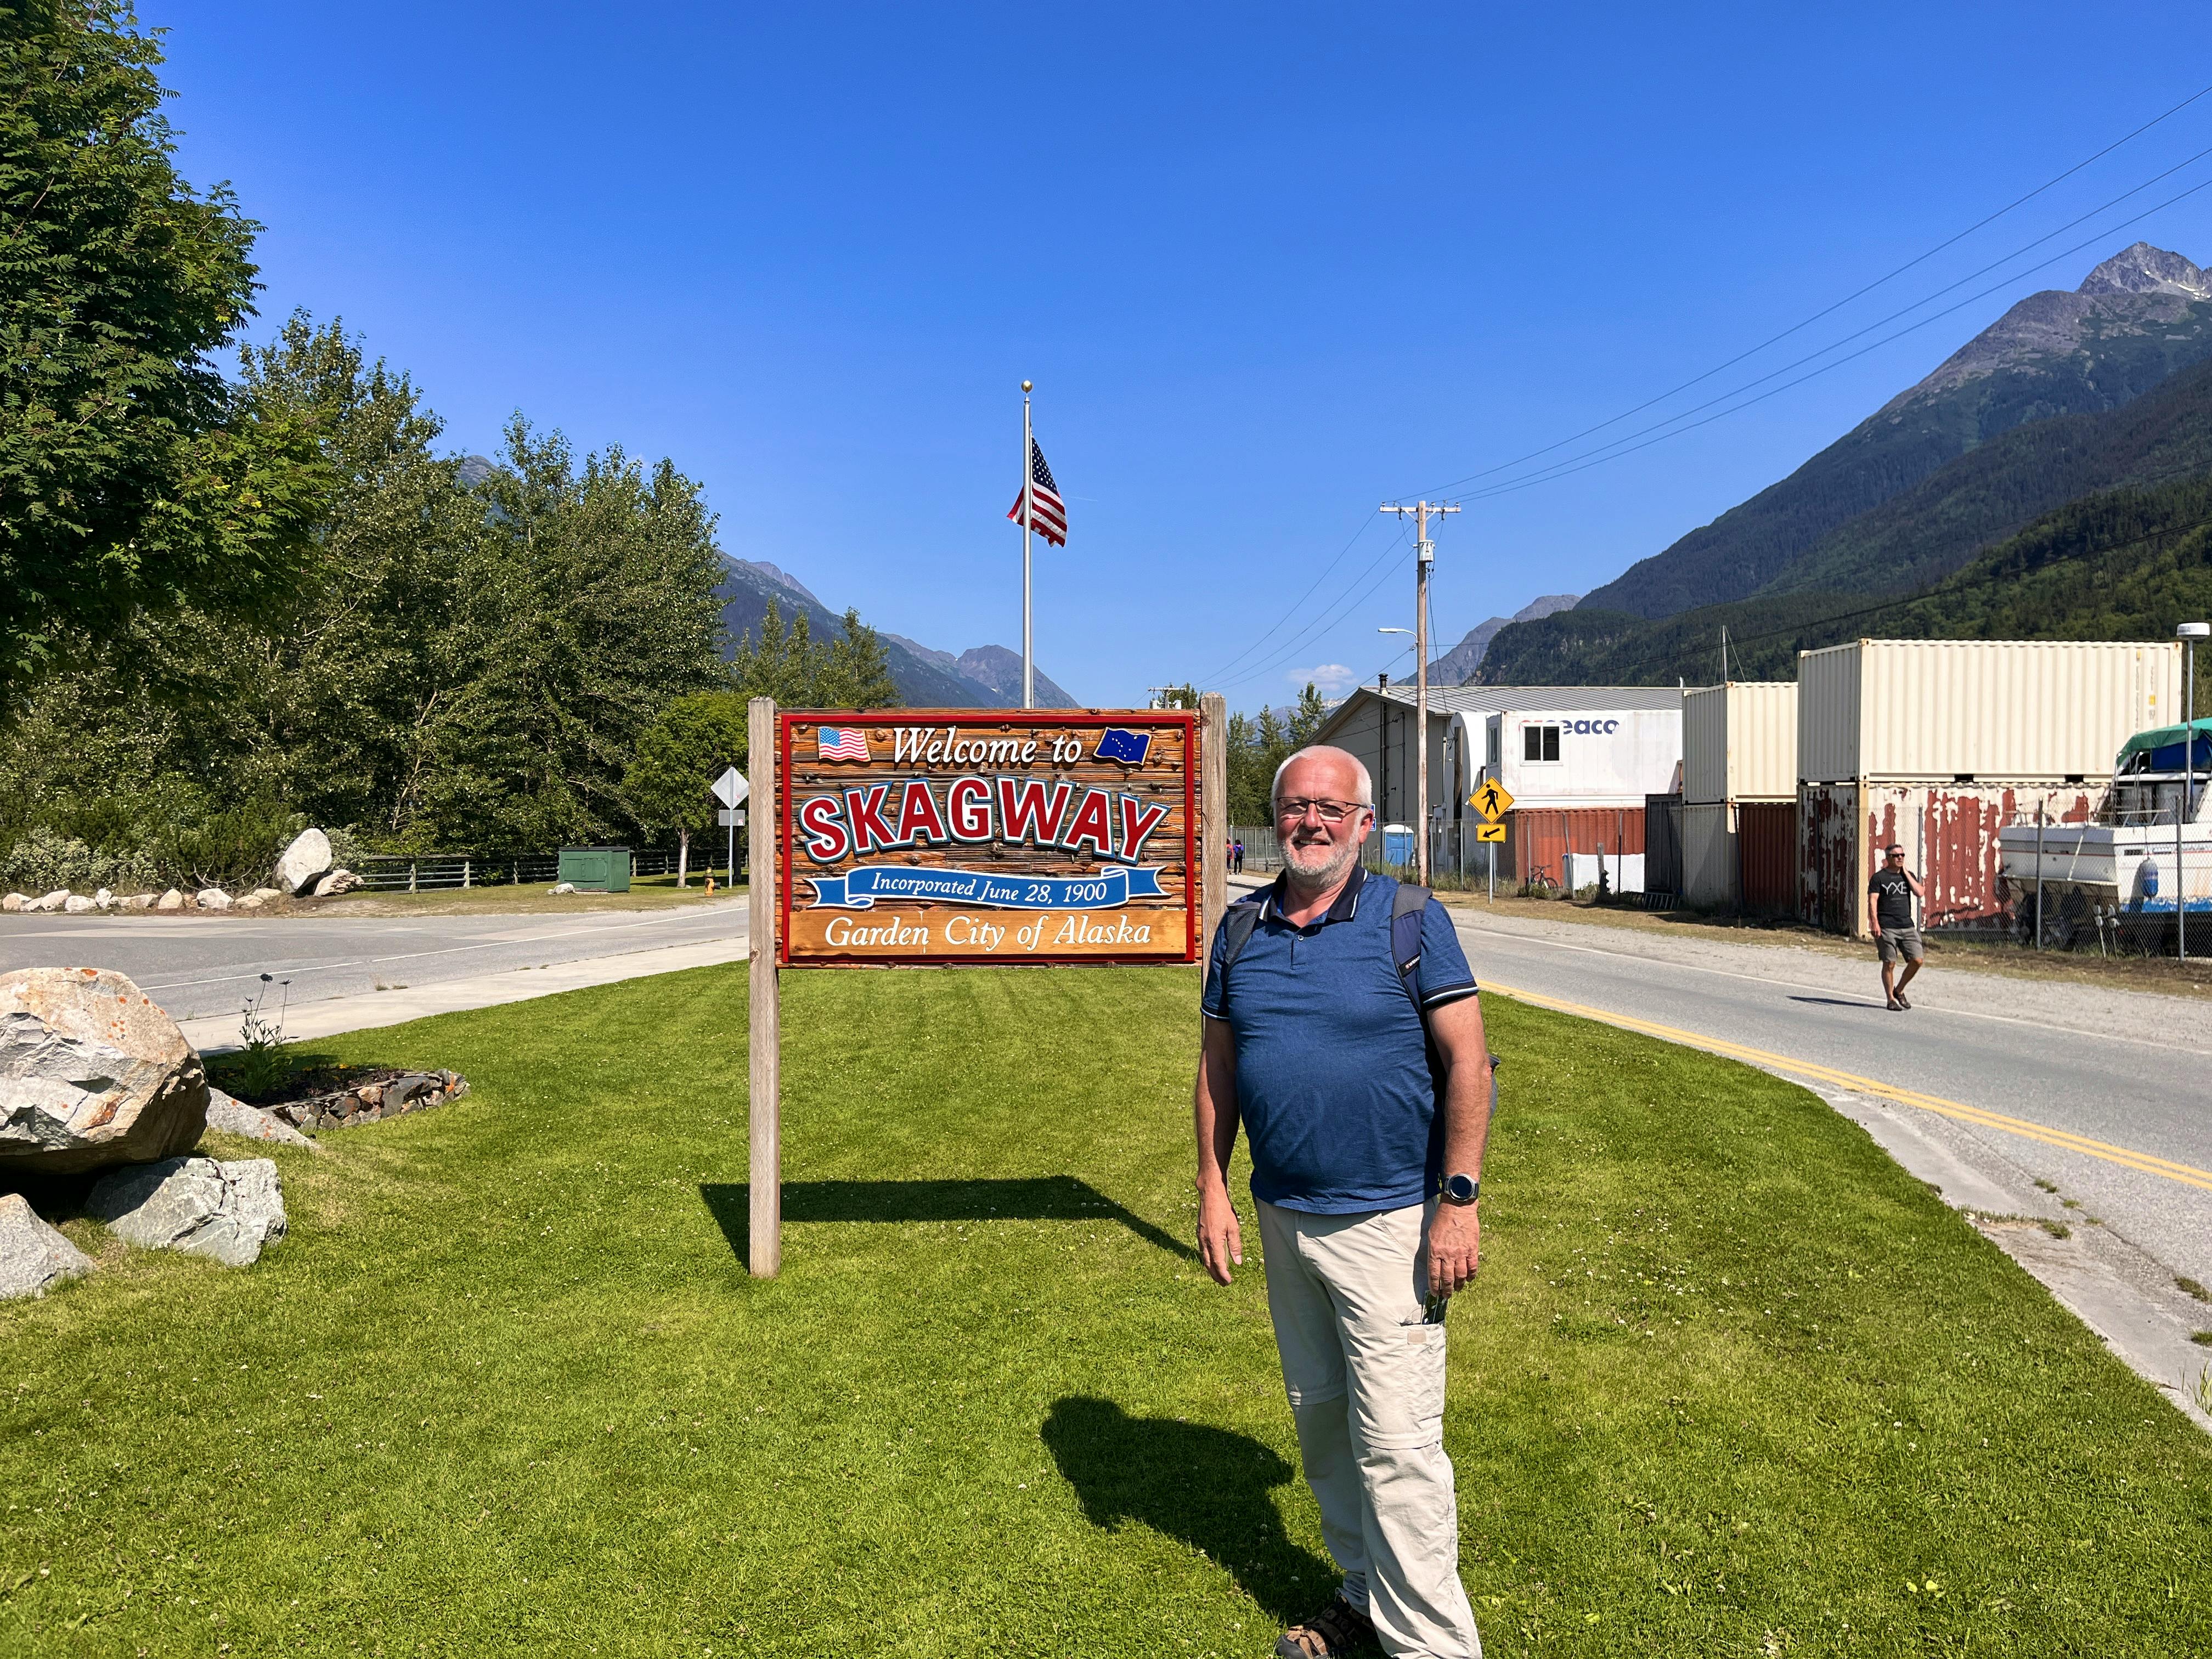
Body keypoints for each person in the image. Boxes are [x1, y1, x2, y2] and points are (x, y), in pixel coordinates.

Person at [1194, 744, 1489, 1659]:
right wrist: (1212, 1186)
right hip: (1285, 1218)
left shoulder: (1409, 918)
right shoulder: (1241, 930)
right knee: (1323, 1425)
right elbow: (1219, 1068)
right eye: (1294, 804)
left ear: (1363, 821)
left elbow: (1468, 1063)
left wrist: (1458, 1200)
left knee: (1397, 1449)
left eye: (1329, 806)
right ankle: (1363, 1598)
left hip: (1391, 1223)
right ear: (1274, 816)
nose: (1309, 820)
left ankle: (1432, 1646)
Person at [1868, 843, 1925, 1010]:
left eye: (1902, 855)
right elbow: (1873, 901)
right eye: (1895, 856)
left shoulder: (1908, 876)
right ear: (1888, 859)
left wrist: (1906, 872)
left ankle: (1899, 990)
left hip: (1907, 926)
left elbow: (1920, 892)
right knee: (1890, 962)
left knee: (1917, 960)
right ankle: (1890, 1000)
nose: (1900, 858)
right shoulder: (1879, 878)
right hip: (1887, 927)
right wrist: (1874, 922)